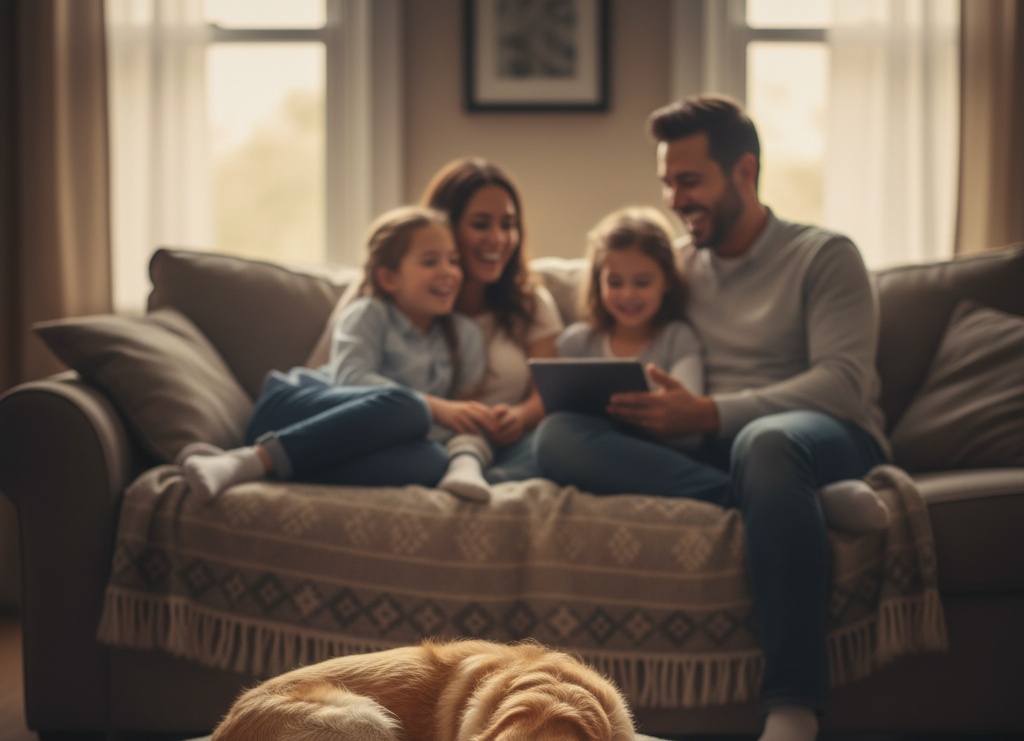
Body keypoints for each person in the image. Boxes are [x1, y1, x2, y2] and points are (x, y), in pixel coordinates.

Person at [536, 95, 892, 741]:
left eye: (689, 181)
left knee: (768, 444)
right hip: (719, 447)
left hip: (821, 434)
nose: (675, 198)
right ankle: (792, 507)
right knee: (558, 436)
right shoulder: (677, 267)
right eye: (668, 181)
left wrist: (709, 410)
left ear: (745, 172)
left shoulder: (823, 255)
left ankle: (793, 718)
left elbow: (845, 384)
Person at [181, 206, 490, 501]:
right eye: (430, 261)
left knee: (432, 462)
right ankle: (248, 459)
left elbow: (458, 416)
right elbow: (352, 378)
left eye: (453, 260)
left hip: (348, 444)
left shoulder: (465, 336)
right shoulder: (368, 313)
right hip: (294, 414)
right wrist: (434, 407)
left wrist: (483, 420)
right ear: (388, 278)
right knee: (411, 407)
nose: (448, 271)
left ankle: (266, 468)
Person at [421, 158, 563, 501]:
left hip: (510, 446)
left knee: (559, 439)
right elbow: (340, 374)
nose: (498, 239)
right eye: (481, 224)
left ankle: (486, 478)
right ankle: (466, 473)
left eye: (509, 224)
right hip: (432, 441)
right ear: (446, 227)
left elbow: (549, 392)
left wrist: (518, 415)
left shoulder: (531, 303)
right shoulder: (408, 299)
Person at [546, 205, 705, 450]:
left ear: (667, 281)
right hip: (590, 447)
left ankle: (711, 486)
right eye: (615, 282)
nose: (628, 295)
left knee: (555, 437)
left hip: (660, 453)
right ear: (598, 281)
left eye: (642, 283)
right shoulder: (575, 342)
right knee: (553, 433)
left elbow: (688, 434)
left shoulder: (677, 339)